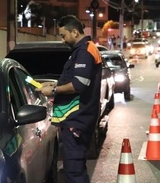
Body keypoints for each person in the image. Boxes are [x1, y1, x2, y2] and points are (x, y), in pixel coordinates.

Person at [36, 15, 102, 183]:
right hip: (76, 119)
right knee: (74, 169)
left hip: (78, 119)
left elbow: (79, 84)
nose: (62, 40)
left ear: (74, 32)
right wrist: (52, 85)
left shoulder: (84, 52)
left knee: (74, 171)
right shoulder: (82, 51)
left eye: (63, 35)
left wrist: (54, 90)